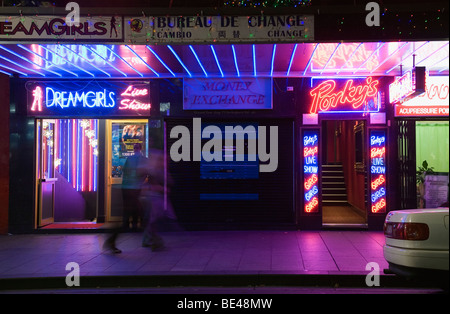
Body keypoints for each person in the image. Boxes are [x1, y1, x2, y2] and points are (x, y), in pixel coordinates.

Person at [103, 143, 149, 253]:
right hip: (133, 189)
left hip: (128, 188)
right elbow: (142, 174)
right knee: (137, 213)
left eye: (136, 147)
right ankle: (111, 240)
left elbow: (126, 173)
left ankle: (146, 235)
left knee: (131, 213)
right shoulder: (142, 159)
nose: (136, 149)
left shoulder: (130, 159)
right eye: (136, 147)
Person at [140, 148, 176, 251]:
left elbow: (170, 182)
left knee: (153, 219)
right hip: (153, 198)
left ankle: (149, 240)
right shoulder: (154, 171)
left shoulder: (160, 170)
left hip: (154, 197)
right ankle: (154, 241)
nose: (166, 162)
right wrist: (161, 188)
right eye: (164, 160)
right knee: (154, 220)